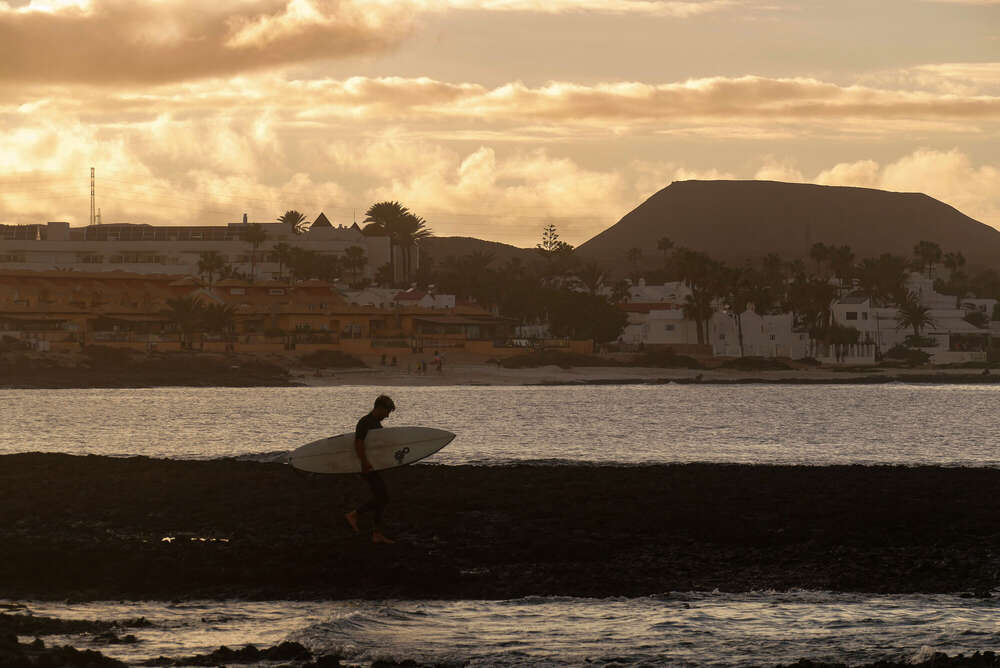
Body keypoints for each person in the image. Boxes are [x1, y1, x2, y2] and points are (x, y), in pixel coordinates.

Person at [344, 394, 396, 544]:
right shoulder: (365, 422)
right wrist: (364, 463)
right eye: (387, 412)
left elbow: (377, 448)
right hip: (366, 466)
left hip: (372, 465)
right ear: (379, 408)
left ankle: (375, 532)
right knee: (383, 497)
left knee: (382, 497)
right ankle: (355, 516)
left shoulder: (376, 425)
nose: (387, 416)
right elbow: (358, 443)